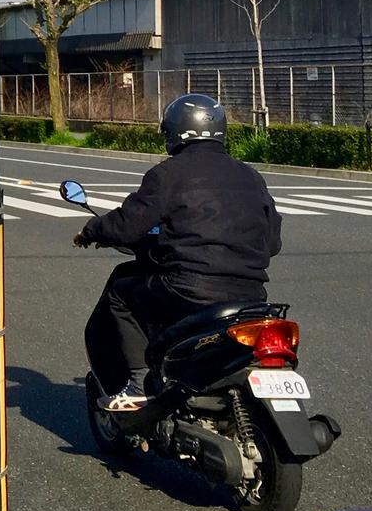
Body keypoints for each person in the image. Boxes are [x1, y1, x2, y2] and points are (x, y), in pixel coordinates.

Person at [74, 93, 282, 412]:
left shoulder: (169, 173)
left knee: (121, 291)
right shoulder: (251, 176)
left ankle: (138, 383)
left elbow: (129, 226)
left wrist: (91, 230)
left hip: (189, 288)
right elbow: (272, 243)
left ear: (175, 132)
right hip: (251, 295)